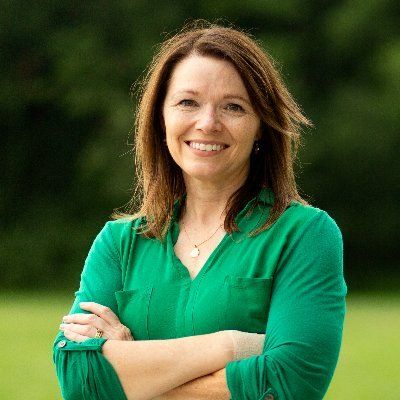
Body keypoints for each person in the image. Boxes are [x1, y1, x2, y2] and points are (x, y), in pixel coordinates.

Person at [53, 21, 347, 400]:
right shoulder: (118, 243)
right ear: (161, 117)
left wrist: (130, 371)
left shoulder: (305, 235)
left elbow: (289, 384)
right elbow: (78, 380)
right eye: (188, 102)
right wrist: (230, 346)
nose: (208, 123)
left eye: (234, 107)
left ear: (260, 126)